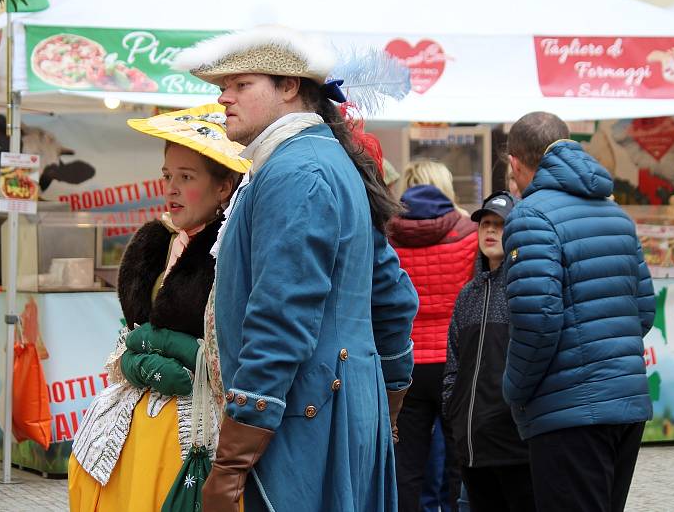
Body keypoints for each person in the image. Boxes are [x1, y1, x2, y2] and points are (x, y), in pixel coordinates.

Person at [173, 25, 418, 512]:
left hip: (304, 422)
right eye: (223, 86)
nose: (223, 97)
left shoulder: (295, 172)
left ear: (289, 87)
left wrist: (231, 463)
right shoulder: (322, 160)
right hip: (338, 410)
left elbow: (280, 319)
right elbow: (391, 296)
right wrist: (384, 399)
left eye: (241, 84)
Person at [67, 104, 248, 511]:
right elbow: (132, 329)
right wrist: (136, 356)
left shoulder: (234, 250)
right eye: (168, 176)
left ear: (224, 187)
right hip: (138, 418)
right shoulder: (158, 243)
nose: (171, 188)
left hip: (197, 424)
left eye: (187, 178)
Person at [503, 111, 655, 512]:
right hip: (625, 403)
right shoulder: (615, 214)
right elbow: (644, 310)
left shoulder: (530, 215)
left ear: (515, 162)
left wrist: (514, 391)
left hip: (568, 412)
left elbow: (537, 321)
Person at [389, 160, 478, 512]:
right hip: (454, 360)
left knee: (407, 462)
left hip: (407, 362)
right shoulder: (468, 231)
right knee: (458, 460)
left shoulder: (388, 233)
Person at [442, 190, 535, 512]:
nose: (491, 231)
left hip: (514, 443)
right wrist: (453, 410)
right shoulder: (468, 294)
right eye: (485, 224)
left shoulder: (523, 286)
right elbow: (453, 362)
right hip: (472, 443)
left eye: (499, 224)